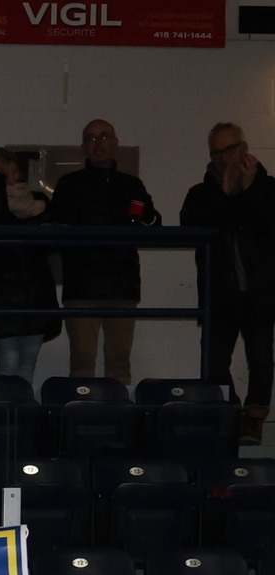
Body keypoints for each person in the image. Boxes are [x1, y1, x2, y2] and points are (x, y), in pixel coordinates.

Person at [48, 119, 162, 388]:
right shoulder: (69, 185)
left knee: (119, 364)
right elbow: (55, 230)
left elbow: (154, 224)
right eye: (91, 138)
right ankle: (82, 422)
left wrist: (146, 214)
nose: (98, 143)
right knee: (82, 364)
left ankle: (118, 425)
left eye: (104, 136)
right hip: (81, 286)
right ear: (83, 147)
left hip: (122, 285)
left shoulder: (132, 185)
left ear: (115, 142)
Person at [182, 122, 275, 442]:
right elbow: (191, 227)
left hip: (260, 292)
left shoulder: (269, 188)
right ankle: (231, 412)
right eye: (216, 152)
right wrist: (225, 194)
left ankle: (255, 416)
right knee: (214, 361)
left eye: (229, 149)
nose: (223, 157)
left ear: (244, 147)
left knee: (261, 357)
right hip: (218, 294)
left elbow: (268, 224)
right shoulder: (200, 193)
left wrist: (248, 191)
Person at [0, 148, 60, 385]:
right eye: (3, 174)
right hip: (1, 297)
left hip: (37, 294)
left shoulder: (40, 203)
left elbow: (52, 244)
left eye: (13, 172)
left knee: (26, 366)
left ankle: (20, 418)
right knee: (7, 362)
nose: (11, 179)